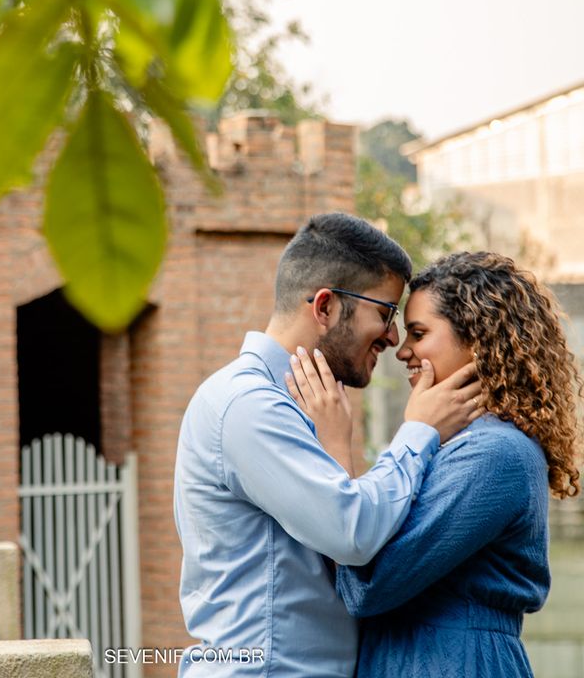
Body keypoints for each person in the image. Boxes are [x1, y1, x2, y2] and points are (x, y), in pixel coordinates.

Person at [173, 213, 482, 677]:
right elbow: (352, 533)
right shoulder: (248, 405)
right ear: (325, 307)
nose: (393, 338)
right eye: (385, 313)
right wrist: (419, 431)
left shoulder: (302, 406)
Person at [289, 251, 584, 677]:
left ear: (478, 338)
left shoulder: (496, 454)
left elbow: (369, 585)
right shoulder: (452, 443)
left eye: (419, 333)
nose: (402, 351)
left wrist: (336, 446)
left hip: (457, 662)